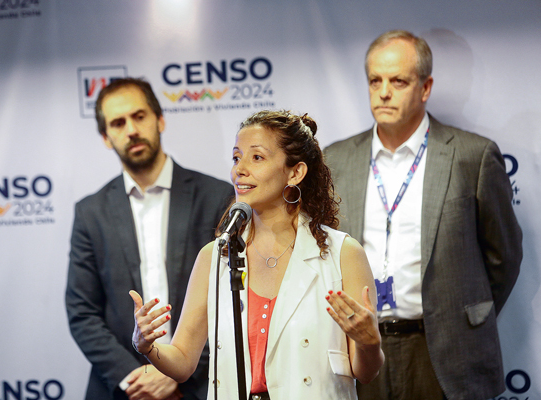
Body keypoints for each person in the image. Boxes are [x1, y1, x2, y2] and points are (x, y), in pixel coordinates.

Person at [129, 110, 385, 400]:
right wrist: (147, 346)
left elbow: (365, 371)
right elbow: (183, 361)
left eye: (257, 158)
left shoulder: (342, 254)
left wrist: (369, 342)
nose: (239, 169)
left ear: (295, 172)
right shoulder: (216, 256)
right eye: (237, 157)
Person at [324, 30, 523, 400]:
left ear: (425, 87)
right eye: (375, 80)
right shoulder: (334, 160)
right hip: (363, 350)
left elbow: (503, 257)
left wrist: (462, 313)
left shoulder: (472, 156)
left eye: (398, 81)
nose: (384, 92)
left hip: (446, 350)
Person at [65, 77, 233, 400]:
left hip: (201, 385)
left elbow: (232, 304)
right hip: (126, 389)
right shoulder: (90, 213)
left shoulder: (216, 197)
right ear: (105, 137)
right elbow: (81, 311)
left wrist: (178, 372)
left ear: (160, 119)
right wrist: (136, 377)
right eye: (118, 122)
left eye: (139, 116)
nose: (131, 130)